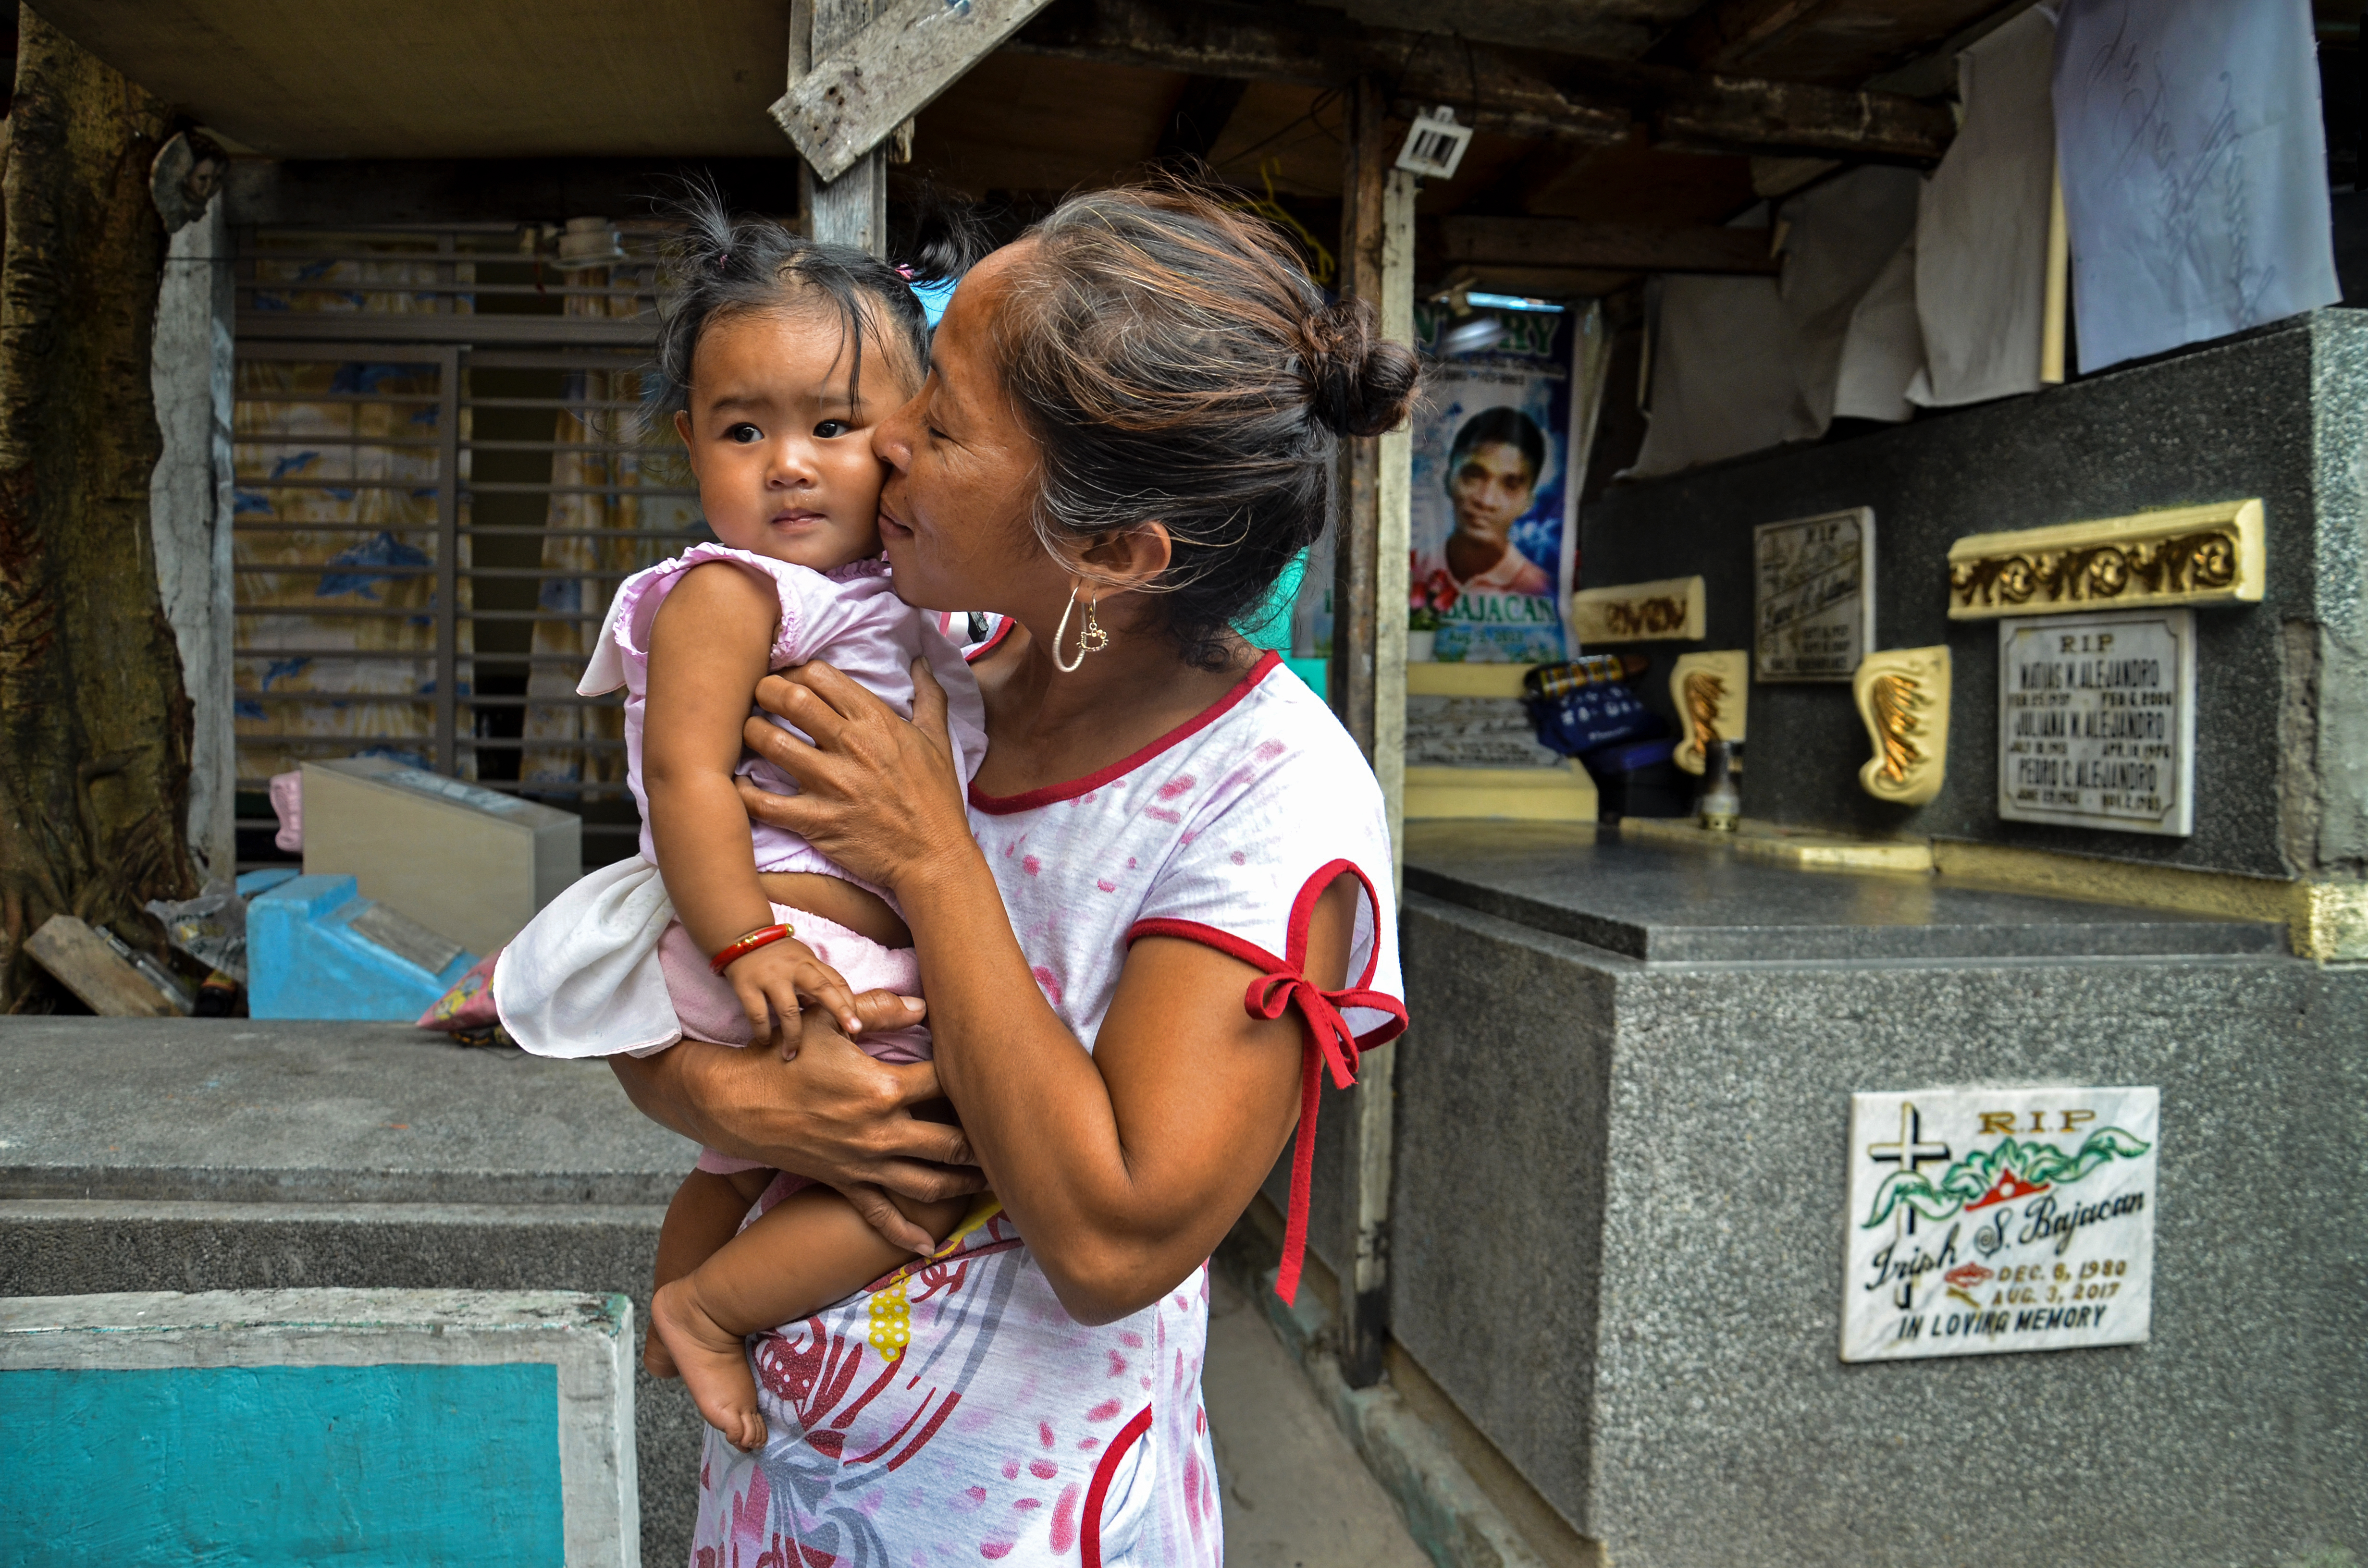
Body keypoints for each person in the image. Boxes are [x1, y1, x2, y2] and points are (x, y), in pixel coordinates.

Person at [605, 183, 1419, 1567]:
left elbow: (1111, 1242)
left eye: (945, 424)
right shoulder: (898, 679)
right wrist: (739, 1092)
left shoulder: (1266, 799)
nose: (886, 444)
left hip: (1016, 1525)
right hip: (780, 1478)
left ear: (1111, 552)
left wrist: (934, 861)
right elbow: (668, 972)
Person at [491, 198, 990, 1454]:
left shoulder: (886, 591)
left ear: (911, 437)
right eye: (742, 429)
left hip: (811, 946)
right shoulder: (734, 590)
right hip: (775, 941)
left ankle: (676, 1314)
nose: (788, 463)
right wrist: (746, 947)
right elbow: (684, 783)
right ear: (689, 445)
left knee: (736, 1171)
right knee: (938, 1157)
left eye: (832, 426)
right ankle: (714, 1313)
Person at [1442, 405, 1554, 596]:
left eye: (1511, 485)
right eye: (1473, 476)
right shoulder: (1408, 570)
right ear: (1448, 480)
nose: (1486, 500)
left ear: (1529, 502)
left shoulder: (1540, 590)